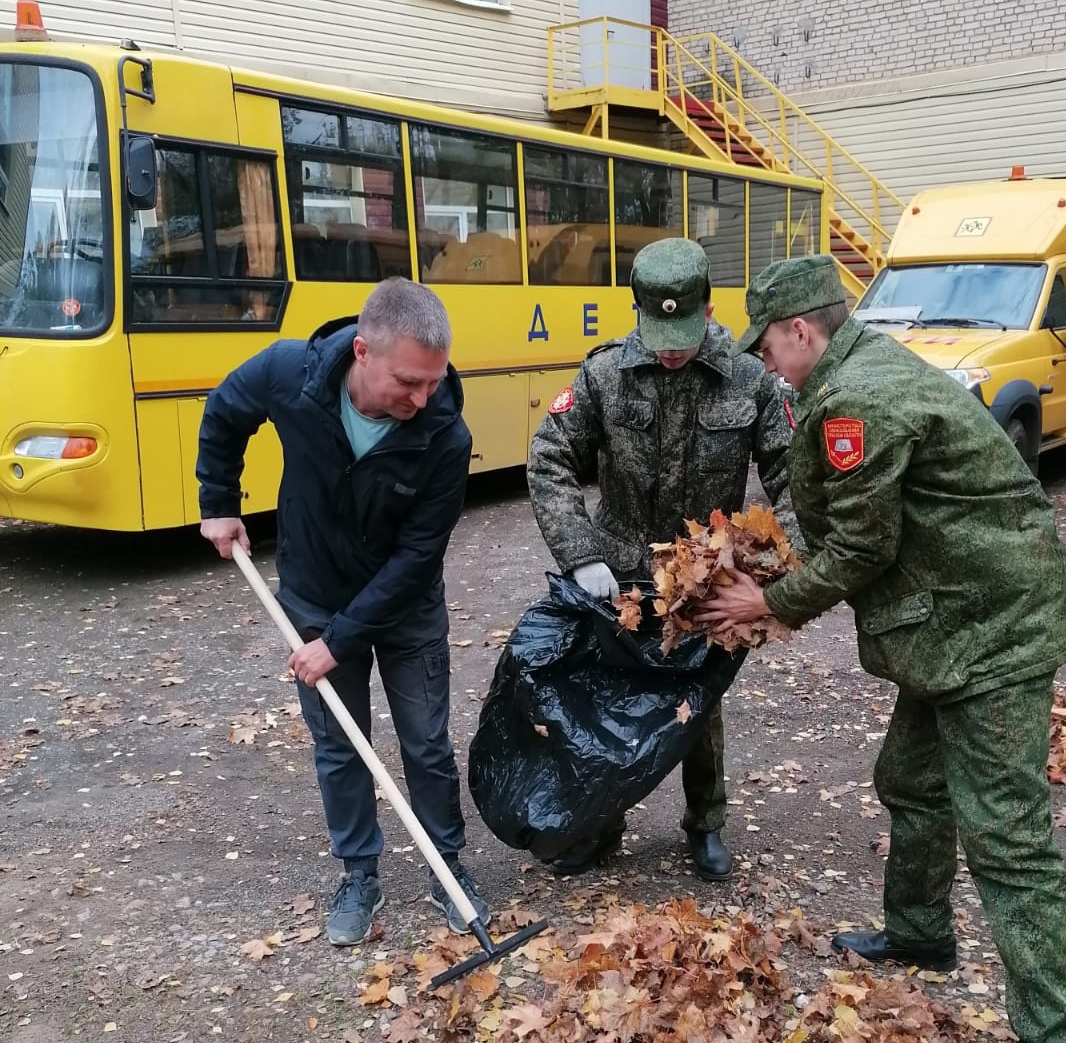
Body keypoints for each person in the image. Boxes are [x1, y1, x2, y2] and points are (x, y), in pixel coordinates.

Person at [700, 254, 1066, 1043]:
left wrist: (768, 601)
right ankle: (919, 934)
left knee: (1007, 835)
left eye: (768, 346)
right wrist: (753, 550)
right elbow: (832, 515)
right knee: (910, 779)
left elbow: (861, 548)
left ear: (802, 331)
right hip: (950, 625)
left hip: (991, 631)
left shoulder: (855, 400)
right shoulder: (853, 373)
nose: (766, 365)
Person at [196, 278, 491, 948]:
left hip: (405, 607)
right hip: (314, 590)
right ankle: (360, 874)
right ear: (361, 351)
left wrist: (340, 639)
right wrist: (218, 499)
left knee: (425, 743)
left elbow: (417, 558)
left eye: (432, 383)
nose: (422, 399)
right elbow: (225, 410)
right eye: (409, 383)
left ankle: (449, 866)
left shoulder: (445, 434)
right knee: (339, 746)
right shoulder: (289, 375)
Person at [526, 236, 800, 881]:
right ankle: (602, 822)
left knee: (699, 704)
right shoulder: (603, 374)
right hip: (618, 574)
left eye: (684, 329)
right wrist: (579, 554)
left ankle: (705, 824)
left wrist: (760, 568)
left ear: (709, 309)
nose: (671, 348)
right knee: (608, 703)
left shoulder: (750, 380)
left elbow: (798, 481)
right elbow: (549, 460)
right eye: (659, 330)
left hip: (710, 577)